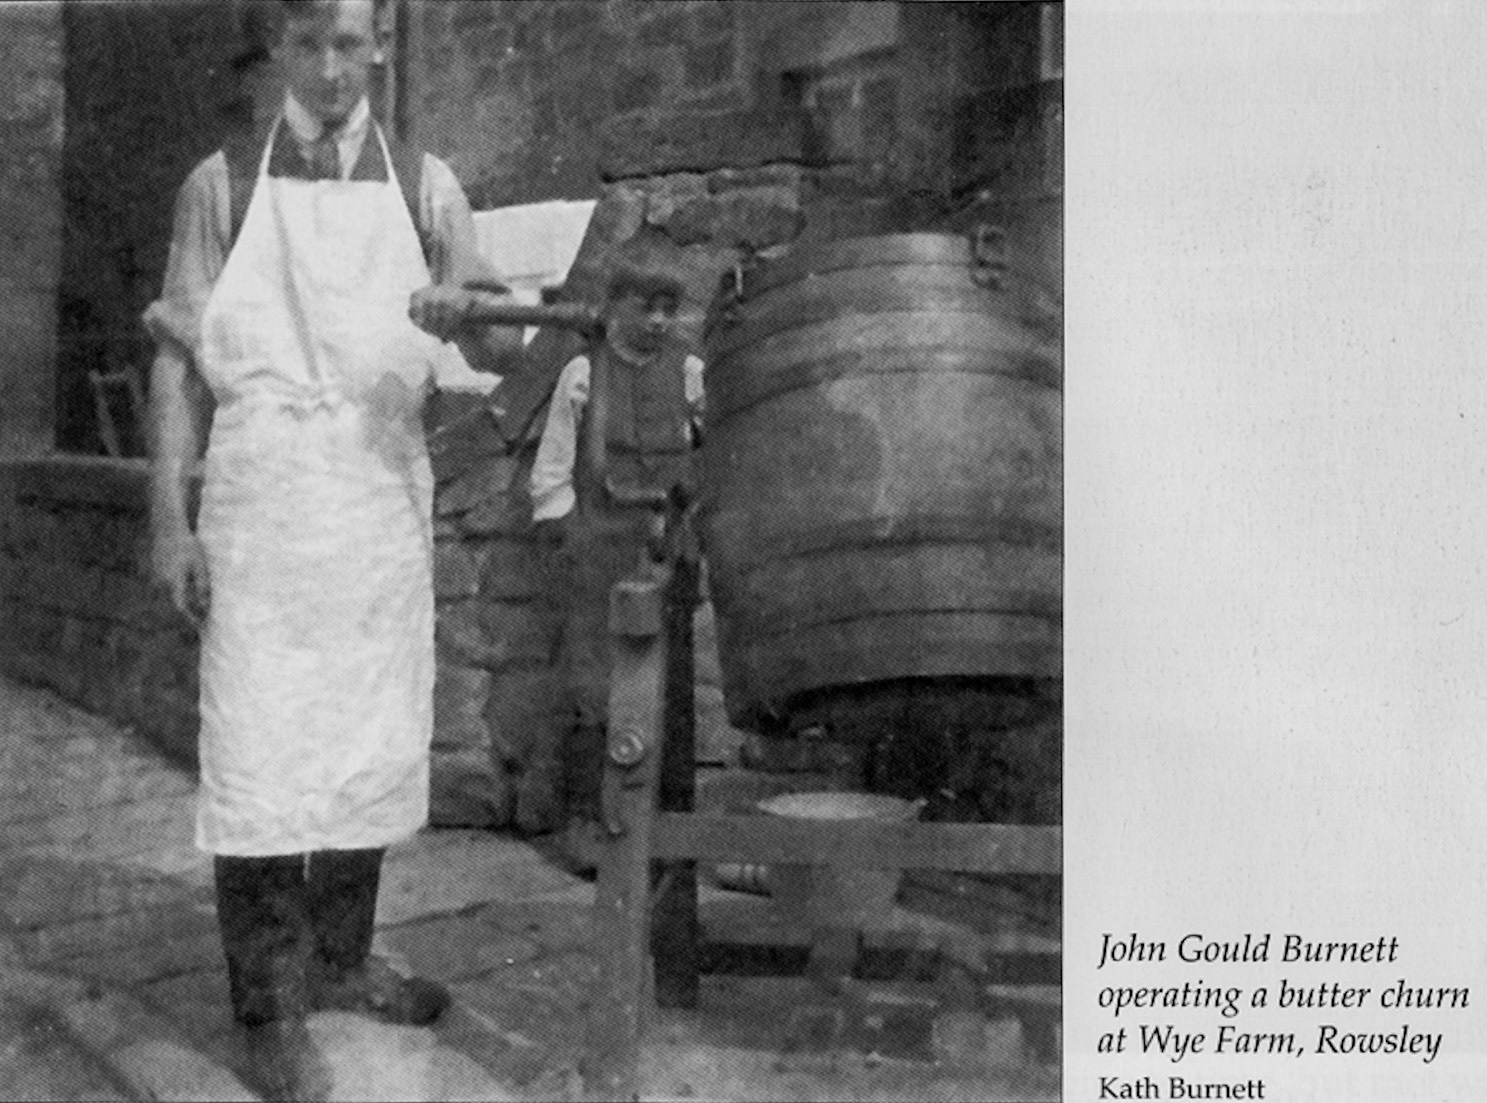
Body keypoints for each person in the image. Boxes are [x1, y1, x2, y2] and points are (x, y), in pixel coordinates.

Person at [144, 2, 516, 1097]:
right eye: (308, 45)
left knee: (365, 737)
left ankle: (342, 961)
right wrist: (169, 518)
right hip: (261, 502)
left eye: (349, 45)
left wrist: (468, 313)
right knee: (260, 750)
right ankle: (266, 1009)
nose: (330, 69)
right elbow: (175, 361)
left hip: (373, 500)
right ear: (280, 52)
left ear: (378, 50)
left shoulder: (425, 185)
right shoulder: (219, 186)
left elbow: (498, 337)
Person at [527, 231, 704, 839]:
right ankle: (588, 825)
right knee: (593, 686)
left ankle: (671, 828)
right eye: (644, 307)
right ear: (615, 306)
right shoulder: (583, 372)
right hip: (597, 553)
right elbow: (551, 473)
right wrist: (569, 537)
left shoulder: (689, 374)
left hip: (666, 550)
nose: (658, 321)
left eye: (667, 309)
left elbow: (713, 457)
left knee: (669, 687)